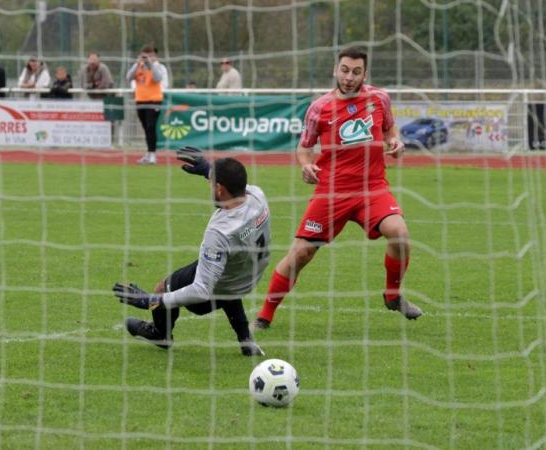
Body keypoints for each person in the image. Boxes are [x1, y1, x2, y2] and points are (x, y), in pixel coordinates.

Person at [253, 47, 422, 329]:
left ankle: (392, 296)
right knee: (301, 254)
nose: (349, 77)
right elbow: (304, 148)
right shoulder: (320, 107)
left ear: (364, 74)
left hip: (373, 188)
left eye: (356, 72)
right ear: (335, 70)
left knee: (400, 234)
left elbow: (390, 129)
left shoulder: (379, 99)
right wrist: (305, 165)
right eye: (344, 70)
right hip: (332, 192)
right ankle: (265, 315)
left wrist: (396, 141)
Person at [113, 148, 270, 356]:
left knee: (163, 287)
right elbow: (237, 185)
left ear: (220, 189)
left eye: (211, 184)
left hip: (216, 289)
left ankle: (161, 333)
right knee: (225, 275)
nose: (209, 187)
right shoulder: (257, 196)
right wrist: (208, 170)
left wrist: (152, 300)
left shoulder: (220, 231)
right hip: (249, 275)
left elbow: (201, 290)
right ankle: (246, 340)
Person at [126, 45, 164, 165]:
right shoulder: (138, 66)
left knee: (150, 127)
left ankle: (153, 154)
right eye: (144, 55)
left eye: (149, 55)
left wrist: (150, 64)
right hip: (140, 100)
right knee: (145, 128)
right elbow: (128, 77)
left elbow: (158, 78)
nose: (146, 58)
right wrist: (136, 64)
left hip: (154, 100)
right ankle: (148, 153)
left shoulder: (157, 66)